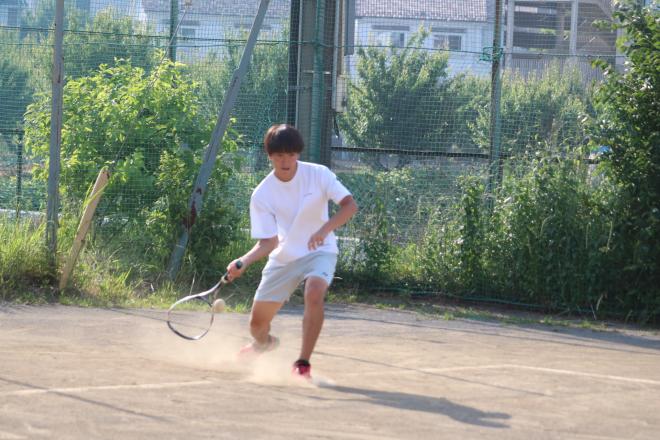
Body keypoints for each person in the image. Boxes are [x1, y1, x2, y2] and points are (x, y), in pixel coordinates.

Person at [226, 124, 358, 379]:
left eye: (290, 154)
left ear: (298, 153)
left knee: (315, 290)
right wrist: (243, 261)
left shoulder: (319, 174)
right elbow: (268, 242)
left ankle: (302, 363)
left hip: (320, 250)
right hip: (285, 256)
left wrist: (324, 230)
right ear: (270, 157)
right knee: (257, 326)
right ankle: (263, 344)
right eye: (278, 156)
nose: (285, 161)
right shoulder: (262, 194)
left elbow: (350, 206)